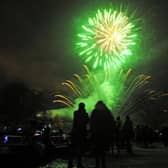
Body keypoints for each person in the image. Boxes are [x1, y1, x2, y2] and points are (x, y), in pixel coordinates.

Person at [90, 101, 115, 168]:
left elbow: (91, 123)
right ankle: (103, 165)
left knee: (97, 151)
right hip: (104, 134)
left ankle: (97, 165)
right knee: (103, 151)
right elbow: (111, 122)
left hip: (97, 134)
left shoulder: (94, 112)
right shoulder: (107, 112)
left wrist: (92, 131)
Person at [68, 102, 89, 168]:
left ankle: (70, 163)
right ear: (83, 107)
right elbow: (87, 121)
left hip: (75, 132)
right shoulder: (84, 114)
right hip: (81, 133)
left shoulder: (75, 113)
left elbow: (75, 122)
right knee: (80, 148)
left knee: (73, 148)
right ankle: (79, 163)